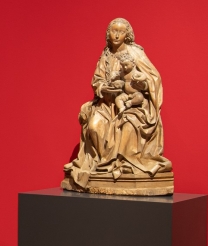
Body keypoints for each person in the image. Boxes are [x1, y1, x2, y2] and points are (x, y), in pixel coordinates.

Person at [63, 17, 171, 192]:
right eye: (114, 31)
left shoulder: (135, 52)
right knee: (94, 126)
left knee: (128, 124)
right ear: (108, 34)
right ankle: (104, 165)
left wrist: (141, 84)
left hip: (132, 104)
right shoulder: (105, 55)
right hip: (107, 104)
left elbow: (154, 78)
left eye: (121, 32)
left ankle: (123, 162)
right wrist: (103, 88)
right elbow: (97, 80)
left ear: (127, 34)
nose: (117, 35)